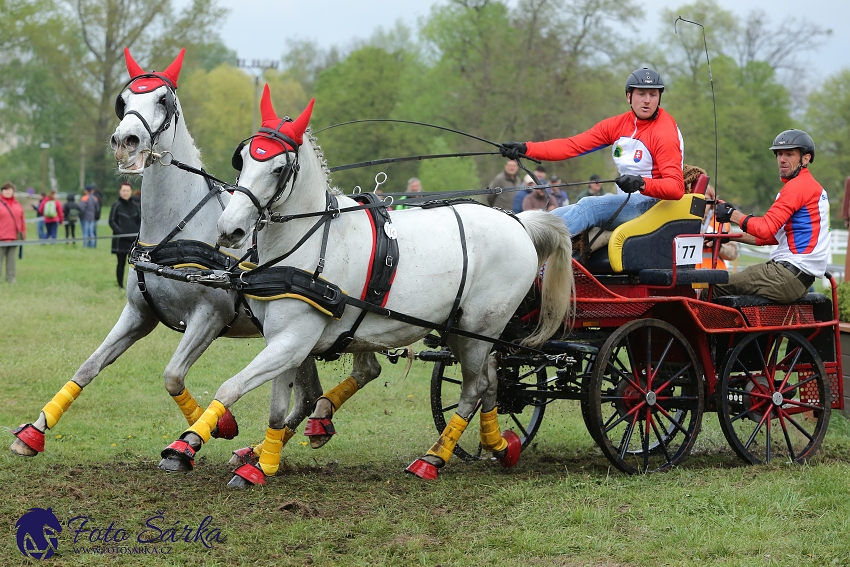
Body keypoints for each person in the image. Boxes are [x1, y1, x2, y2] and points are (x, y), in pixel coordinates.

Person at [500, 67, 684, 237]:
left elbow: (676, 188)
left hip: (653, 205)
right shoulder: (618, 124)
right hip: (625, 200)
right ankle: (525, 247)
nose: (647, 100)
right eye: (641, 94)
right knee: (553, 215)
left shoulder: (664, 131)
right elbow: (571, 146)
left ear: (659, 97)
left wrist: (642, 183)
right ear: (629, 96)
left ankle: (535, 244)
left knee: (589, 205)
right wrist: (526, 149)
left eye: (653, 94)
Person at [713, 130, 827, 303]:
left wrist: (731, 214)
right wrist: (726, 237)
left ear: (806, 158)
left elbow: (765, 229)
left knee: (714, 287)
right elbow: (772, 237)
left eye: (789, 154)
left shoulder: (798, 187)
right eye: (779, 154)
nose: (782, 159)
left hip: (787, 274)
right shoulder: (810, 187)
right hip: (798, 279)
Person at [697, 184, 738, 270]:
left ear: (712, 201)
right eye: (699, 200)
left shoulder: (722, 222)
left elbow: (733, 253)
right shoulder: (684, 221)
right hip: (690, 276)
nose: (703, 203)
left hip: (716, 276)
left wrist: (718, 246)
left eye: (707, 200)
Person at [109, 182, 141, 288]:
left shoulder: (135, 206)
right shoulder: (116, 205)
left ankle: (134, 285)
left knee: (135, 264)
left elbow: (139, 221)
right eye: (124, 190)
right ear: (120, 191)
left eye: (127, 190)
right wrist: (121, 233)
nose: (125, 193)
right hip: (121, 240)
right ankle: (120, 285)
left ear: (130, 192)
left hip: (133, 241)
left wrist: (136, 234)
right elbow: (112, 221)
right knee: (121, 263)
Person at [0, 182, 26, 283]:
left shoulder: (17, 204)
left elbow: (22, 220)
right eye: (5, 189)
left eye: (9, 190)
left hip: (14, 237)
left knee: (11, 261)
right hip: (1, 237)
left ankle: (11, 279)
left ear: (13, 191)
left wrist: (23, 233)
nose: (7, 192)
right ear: (2, 191)